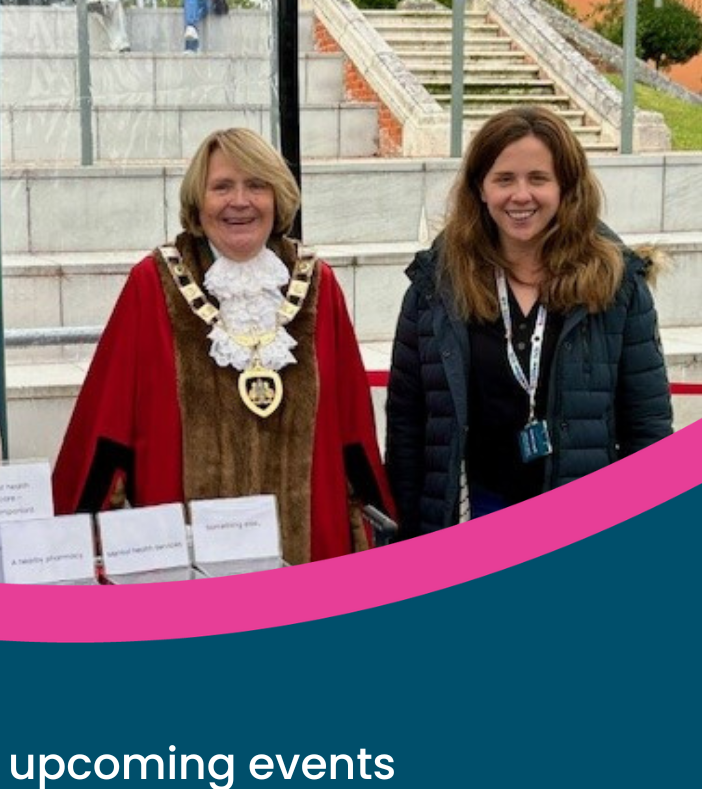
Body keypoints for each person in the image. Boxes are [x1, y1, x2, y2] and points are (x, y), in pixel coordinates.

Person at [52, 127, 390, 565]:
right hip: (182, 554)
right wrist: (74, 541)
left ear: (278, 197)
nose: (240, 201)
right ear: (198, 201)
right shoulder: (151, 284)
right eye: (222, 187)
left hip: (309, 550)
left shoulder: (320, 286)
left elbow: (353, 432)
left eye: (256, 185)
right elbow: (106, 426)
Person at [386, 105, 672, 539]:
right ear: (480, 189)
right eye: (504, 179)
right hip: (470, 516)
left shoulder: (617, 287)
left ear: (565, 187)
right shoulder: (435, 288)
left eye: (538, 178)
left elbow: (647, 427)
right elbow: (408, 426)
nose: (521, 195)